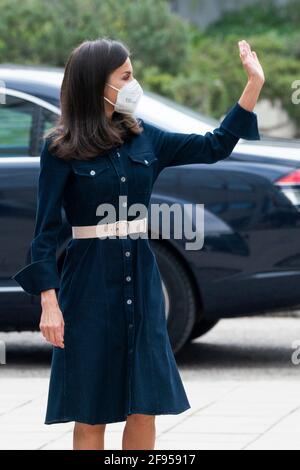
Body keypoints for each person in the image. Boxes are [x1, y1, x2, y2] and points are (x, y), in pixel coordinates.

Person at [12, 37, 265, 450]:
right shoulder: (60, 149)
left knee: (143, 405)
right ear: (98, 83)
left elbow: (215, 144)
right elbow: (45, 234)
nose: (135, 83)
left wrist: (253, 85)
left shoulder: (145, 138)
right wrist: (49, 302)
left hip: (142, 283)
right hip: (88, 287)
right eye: (126, 76)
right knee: (91, 409)